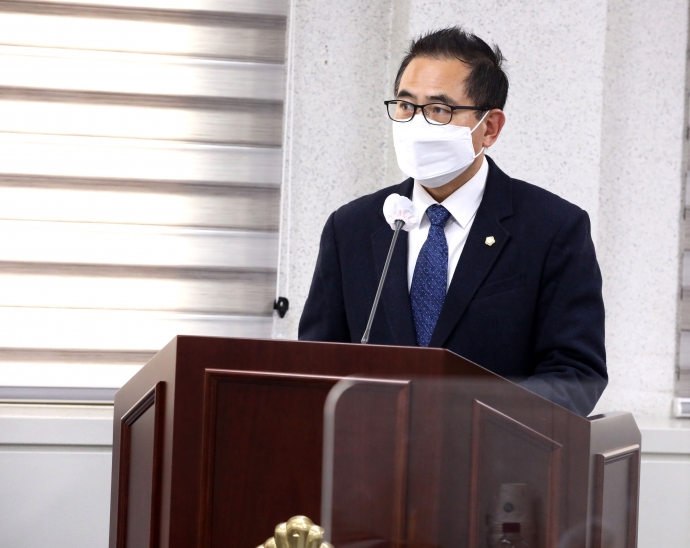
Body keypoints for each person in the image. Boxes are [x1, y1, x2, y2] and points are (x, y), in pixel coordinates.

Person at [298, 27, 606, 416]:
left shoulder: (553, 229)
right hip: (373, 449)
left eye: (439, 110)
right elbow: (317, 364)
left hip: (493, 450)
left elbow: (576, 375)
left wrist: (471, 423)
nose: (416, 123)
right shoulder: (352, 228)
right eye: (406, 106)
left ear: (489, 127)